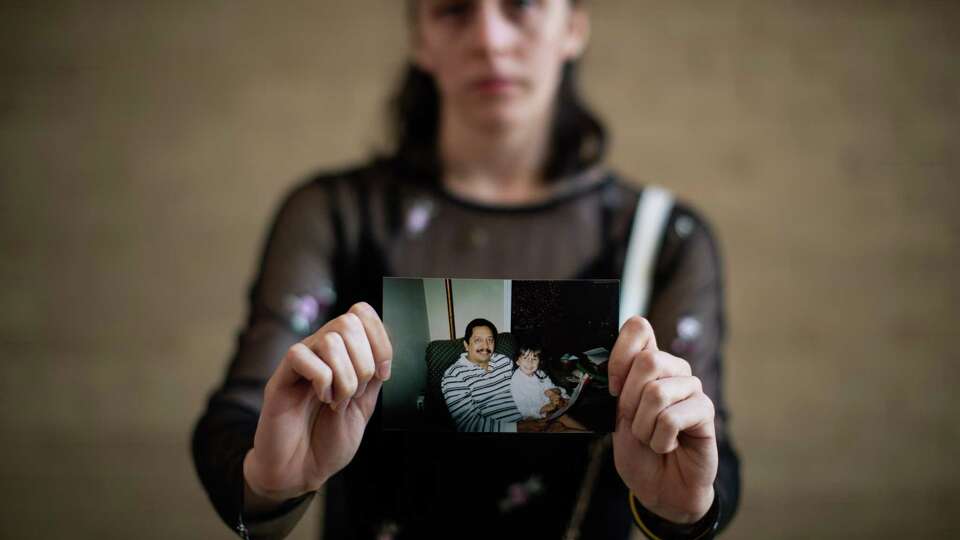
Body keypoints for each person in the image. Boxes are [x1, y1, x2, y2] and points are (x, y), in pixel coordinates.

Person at [192, 1, 741, 539]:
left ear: (572, 27)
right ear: (420, 39)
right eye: (454, 9)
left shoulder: (663, 236)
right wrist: (268, 481)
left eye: (521, 6)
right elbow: (236, 418)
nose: (490, 40)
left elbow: (713, 458)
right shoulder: (334, 216)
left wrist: (683, 507)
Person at [440, 318, 525, 433]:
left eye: (490, 340)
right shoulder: (454, 376)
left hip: (529, 418)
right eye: (478, 340)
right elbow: (468, 425)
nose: (485, 346)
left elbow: (524, 386)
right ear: (466, 345)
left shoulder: (504, 361)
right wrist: (520, 428)